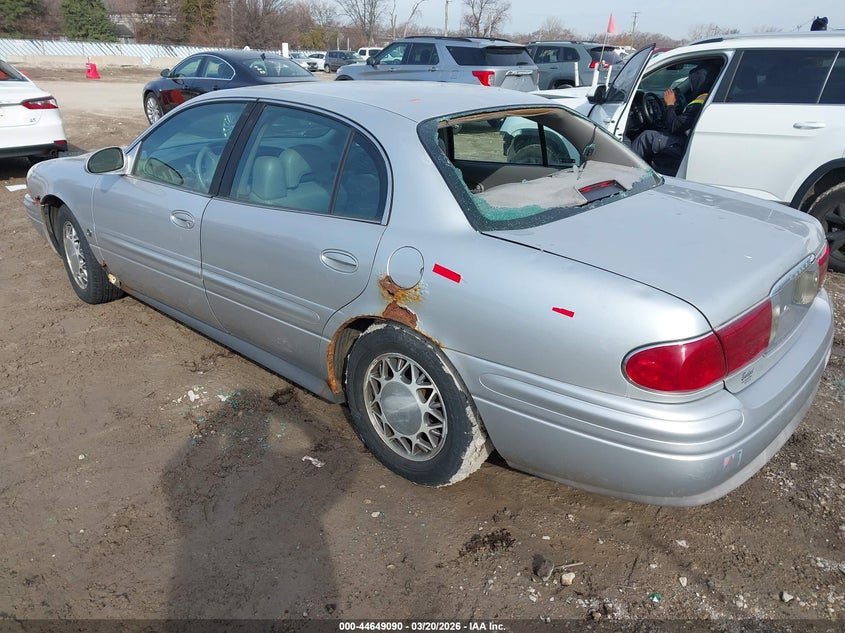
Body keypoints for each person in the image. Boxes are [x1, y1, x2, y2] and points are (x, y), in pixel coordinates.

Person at [631, 62, 719, 173]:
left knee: (647, 137)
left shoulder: (700, 102)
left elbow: (674, 126)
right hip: (688, 138)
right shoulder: (706, 96)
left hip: (684, 143)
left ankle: (622, 169)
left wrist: (670, 104)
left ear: (699, 82)